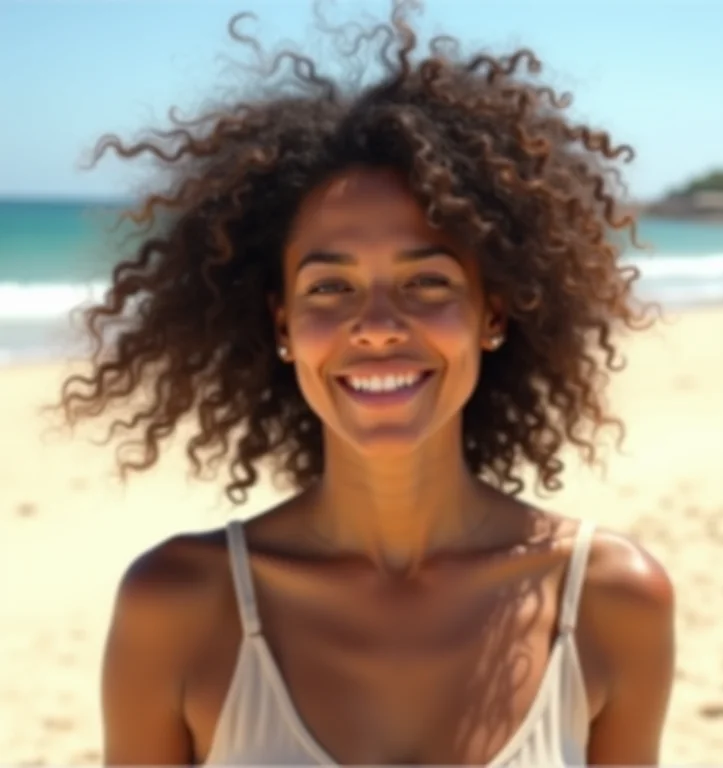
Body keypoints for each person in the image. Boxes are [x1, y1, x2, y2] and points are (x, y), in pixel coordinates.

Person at [58, 2, 675, 765]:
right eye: (329, 289)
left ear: (494, 313)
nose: (377, 325)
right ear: (282, 325)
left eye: (426, 282)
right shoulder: (178, 606)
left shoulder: (611, 602)